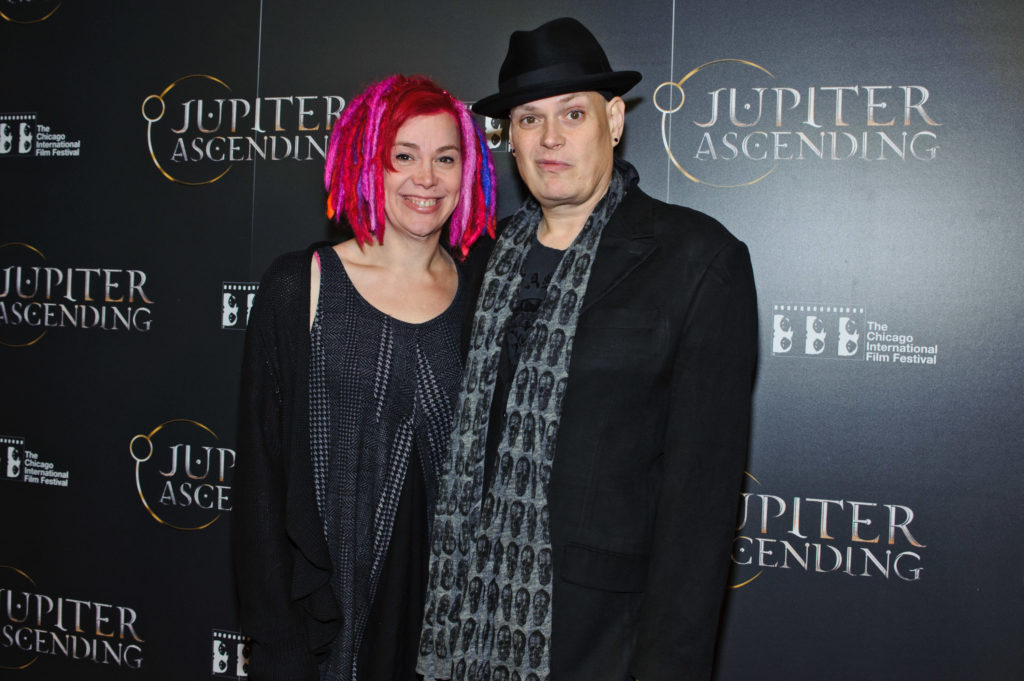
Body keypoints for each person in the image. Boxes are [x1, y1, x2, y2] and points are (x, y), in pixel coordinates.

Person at [417, 18, 757, 681]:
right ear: (508, 138)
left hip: (611, 643)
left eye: (572, 113)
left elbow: (698, 514)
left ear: (613, 120)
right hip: (467, 626)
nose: (550, 138)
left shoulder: (697, 262)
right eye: (528, 118)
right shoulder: (484, 261)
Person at [233, 74, 497, 681]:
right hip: (327, 625)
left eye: (445, 158)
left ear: (470, 172)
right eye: (402, 156)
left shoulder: (483, 293)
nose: (425, 178)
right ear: (366, 162)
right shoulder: (300, 285)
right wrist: (277, 644)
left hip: (447, 628)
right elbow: (261, 483)